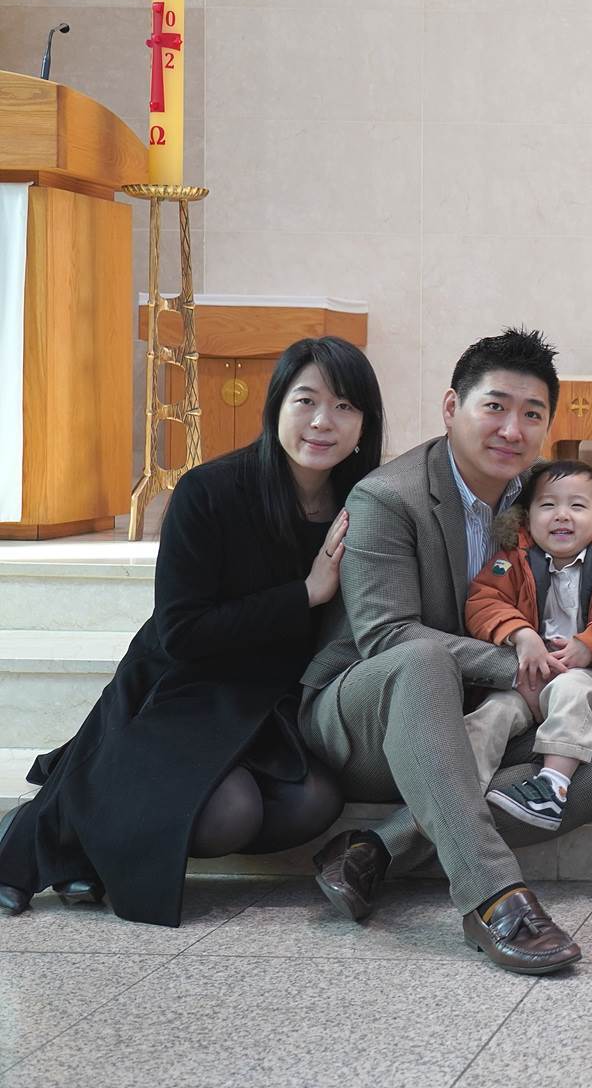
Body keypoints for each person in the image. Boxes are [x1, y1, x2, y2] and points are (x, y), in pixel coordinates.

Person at [0, 337, 381, 925]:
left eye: (345, 406)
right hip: (184, 682)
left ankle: (90, 817)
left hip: (271, 698)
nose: (322, 421)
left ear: (364, 424)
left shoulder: (364, 504)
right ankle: (57, 822)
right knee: (228, 814)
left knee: (313, 803)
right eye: (306, 400)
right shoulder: (210, 491)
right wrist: (304, 593)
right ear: (277, 405)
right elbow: (181, 632)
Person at [300, 329, 592, 976]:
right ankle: (493, 896)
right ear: (452, 407)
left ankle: (376, 850)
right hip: (369, 717)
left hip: (486, 716)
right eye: (495, 407)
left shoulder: (547, 499)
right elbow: (387, 635)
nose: (512, 429)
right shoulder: (388, 498)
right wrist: (524, 668)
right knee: (424, 660)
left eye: (532, 414)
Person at [462, 459, 592, 831]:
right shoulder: (510, 562)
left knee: (571, 689)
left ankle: (552, 786)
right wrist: (521, 635)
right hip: (528, 676)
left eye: (577, 506)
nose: (562, 515)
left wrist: (591, 643)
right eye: (548, 505)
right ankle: (458, 797)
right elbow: (484, 600)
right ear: (527, 517)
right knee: (493, 713)